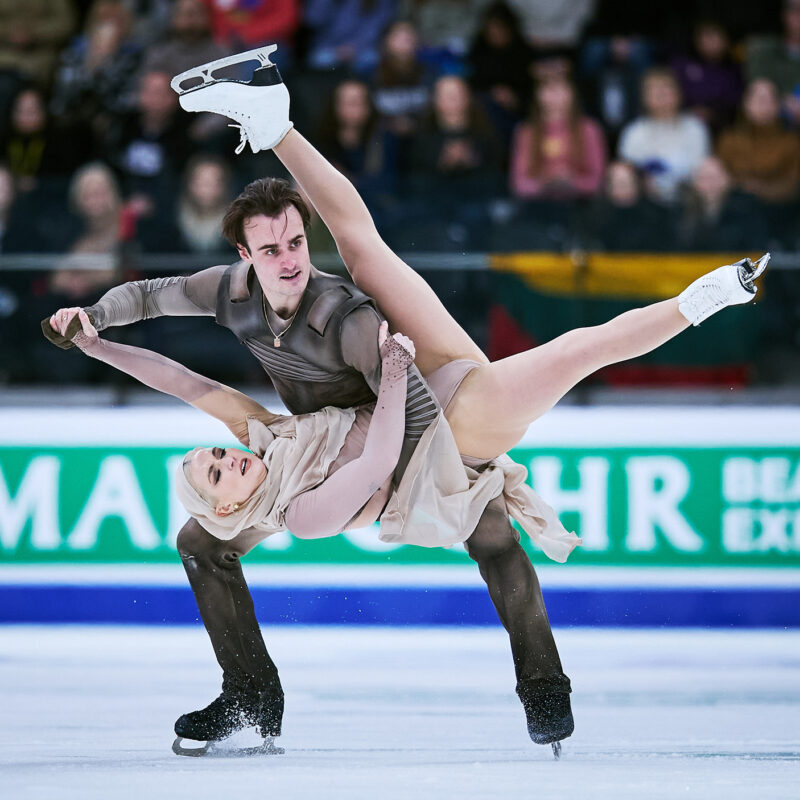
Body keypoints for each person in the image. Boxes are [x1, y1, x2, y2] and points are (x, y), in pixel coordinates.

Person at [47, 46, 768, 755]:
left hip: (425, 409)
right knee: (199, 544)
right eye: (272, 251)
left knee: (490, 501)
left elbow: (412, 421)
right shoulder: (229, 300)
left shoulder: (343, 318)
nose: (291, 259)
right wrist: (96, 326)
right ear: (244, 257)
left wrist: (439, 472)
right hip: (357, 431)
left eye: (298, 242)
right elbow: (155, 314)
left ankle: (544, 686)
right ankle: (251, 694)